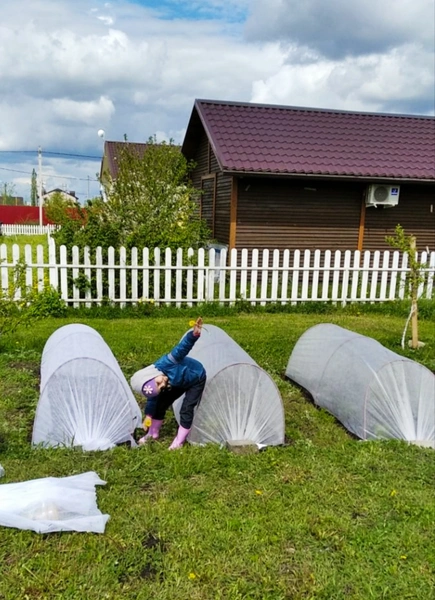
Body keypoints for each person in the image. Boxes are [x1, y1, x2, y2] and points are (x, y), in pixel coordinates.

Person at [130, 317, 206, 450]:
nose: (162, 384)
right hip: (178, 381)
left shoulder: (167, 363)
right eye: (160, 387)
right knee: (160, 402)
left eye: (159, 383)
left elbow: (181, 349)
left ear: (152, 376)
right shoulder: (160, 383)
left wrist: (193, 335)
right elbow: (153, 399)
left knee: (186, 408)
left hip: (196, 378)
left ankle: (179, 441)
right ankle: (153, 433)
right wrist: (148, 416)